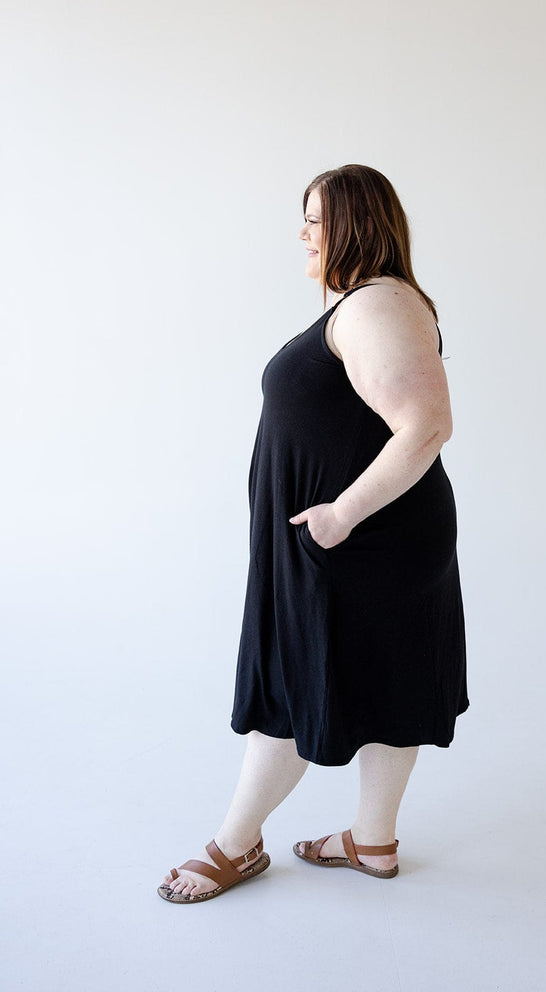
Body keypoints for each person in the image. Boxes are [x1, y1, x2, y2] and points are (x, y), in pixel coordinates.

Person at [158, 164, 469, 903]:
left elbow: (425, 427)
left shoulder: (374, 307)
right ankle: (371, 843)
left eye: (315, 219)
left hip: (357, 542)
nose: (303, 233)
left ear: (357, 224)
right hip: (363, 541)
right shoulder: (372, 304)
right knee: (383, 681)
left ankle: (233, 847)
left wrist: (339, 516)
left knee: (293, 687)